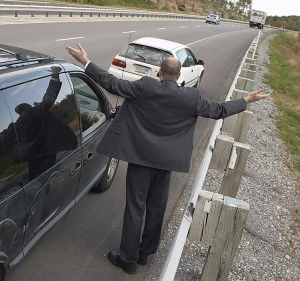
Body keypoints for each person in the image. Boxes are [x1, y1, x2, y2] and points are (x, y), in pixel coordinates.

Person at [66, 44, 269, 275]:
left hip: (140, 160)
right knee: (156, 208)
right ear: (180, 75)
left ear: (159, 74)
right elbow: (218, 110)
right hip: (166, 164)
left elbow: (112, 83)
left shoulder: (145, 87)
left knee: (135, 208)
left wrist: (86, 61)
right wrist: (246, 100)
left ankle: (127, 259)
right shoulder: (191, 97)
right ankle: (145, 253)